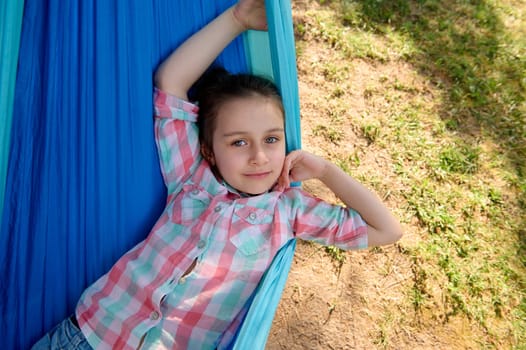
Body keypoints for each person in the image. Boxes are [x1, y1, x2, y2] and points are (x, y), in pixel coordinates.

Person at [33, 0, 402, 348]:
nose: (259, 156)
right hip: (91, 332)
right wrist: (237, 20)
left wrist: (324, 170)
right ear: (210, 150)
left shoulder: (288, 211)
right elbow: (171, 82)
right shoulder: (191, 176)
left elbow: (386, 230)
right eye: (239, 143)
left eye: (271, 139)